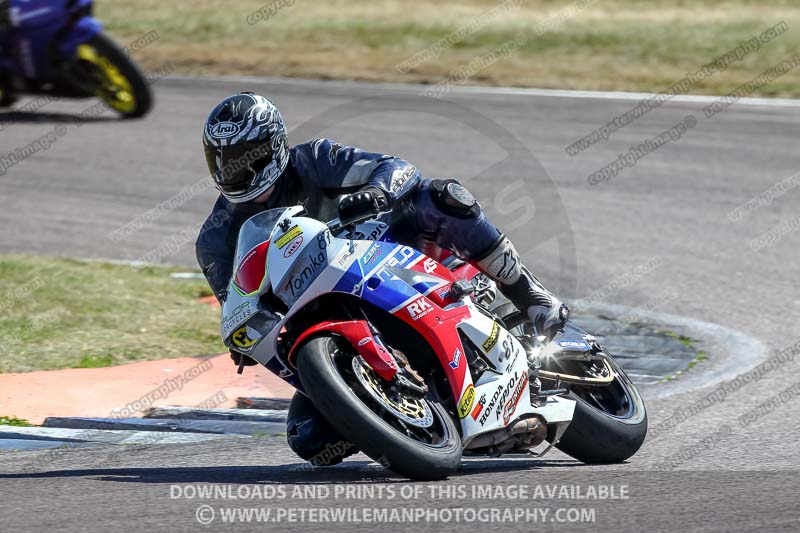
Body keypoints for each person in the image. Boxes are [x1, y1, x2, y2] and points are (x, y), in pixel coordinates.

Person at [196, 92, 569, 466]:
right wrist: (242, 334)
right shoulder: (215, 239)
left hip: (386, 255)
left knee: (440, 198)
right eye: (223, 162)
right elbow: (236, 301)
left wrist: (378, 192)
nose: (235, 171)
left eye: (245, 158)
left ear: (274, 146)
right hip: (314, 315)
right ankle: (400, 420)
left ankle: (527, 293)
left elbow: (399, 168)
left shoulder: (313, 160)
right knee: (309, 438)